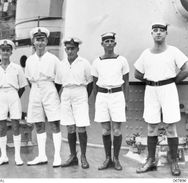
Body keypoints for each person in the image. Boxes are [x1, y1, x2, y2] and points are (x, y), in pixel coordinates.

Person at [134, 22, 188, 176]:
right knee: (152, 127)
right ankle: (150, 160)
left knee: (171, 127)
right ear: (151, 34)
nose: (158, 33)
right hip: (151, 91)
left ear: (166, 34)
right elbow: (137, 73)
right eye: (155, 31)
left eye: (161, 31)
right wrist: (151, 81)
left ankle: (174, 161)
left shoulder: (173, 51)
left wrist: (171, 81)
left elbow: (186, 68)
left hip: (169, 90)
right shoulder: (146, 53)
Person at [91, 32, 129, 171]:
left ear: (115, 43)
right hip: (102, 96)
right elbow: (95, 84)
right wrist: (97, 101)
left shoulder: (122, 60)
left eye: (111, 41)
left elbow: (126, 82)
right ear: (102, 44)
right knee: (106, 130)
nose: (109, 43)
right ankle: (107, 158)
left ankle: (116, 159)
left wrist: (126, 100)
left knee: (117, 130)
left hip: (117, 95)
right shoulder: (96, 62)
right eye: (106, 41)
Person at [0, 39, 27, 166]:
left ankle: (17, 156)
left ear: (11, 52)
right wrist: (0, 97)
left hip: (14, 94)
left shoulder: (17, 68)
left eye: (7, 50)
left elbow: (22, 87)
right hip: (0, 95)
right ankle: (3, 156)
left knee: (15, 123)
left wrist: (14, 96)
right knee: (2, 125)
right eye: (3, 50)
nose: (5, 52)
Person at [25, 27, 62, 167]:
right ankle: (42, 156)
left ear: (46, 41)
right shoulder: (29, 60)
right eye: (37, 40)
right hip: (35, 90)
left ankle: (57, 156)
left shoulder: (53, 59)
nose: (39, 42)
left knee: (54, 122)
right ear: (33, 42)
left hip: (49, 89)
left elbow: (59, 80)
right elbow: (29, 79)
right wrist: (37, 90)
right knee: (38, 123)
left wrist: (52, 91)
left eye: (42, 39)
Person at [55, 37, 93, 169]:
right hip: (66, 94)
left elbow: (90, 83)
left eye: (73, 48)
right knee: (70, 127)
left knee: (81, 126)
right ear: (65, 49)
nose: (70, 51)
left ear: (78, 49)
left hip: (80, 92)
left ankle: (83, 156)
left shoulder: (84, 63)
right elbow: (58, 83)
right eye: (68, 49)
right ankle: (72, 156)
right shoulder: (61, 64)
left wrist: (84, 97)